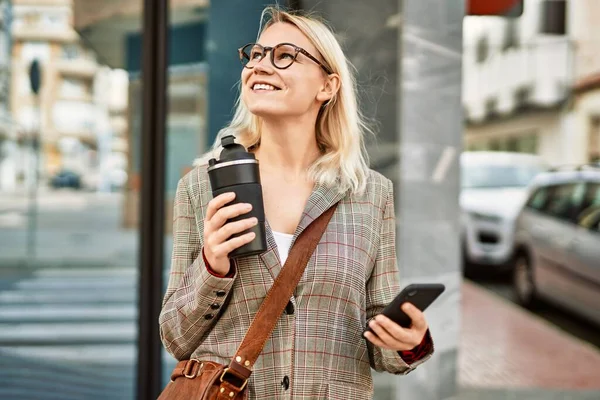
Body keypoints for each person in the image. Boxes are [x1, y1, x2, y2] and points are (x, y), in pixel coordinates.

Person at [159, 6, 434, 399]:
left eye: (284, 56)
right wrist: (212, 266)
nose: (261, 66)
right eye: (255, 54)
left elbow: (378, 342)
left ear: (328, 86)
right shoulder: (201, 186)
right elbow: (175, 337)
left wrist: (411, 339)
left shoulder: (370, 194)